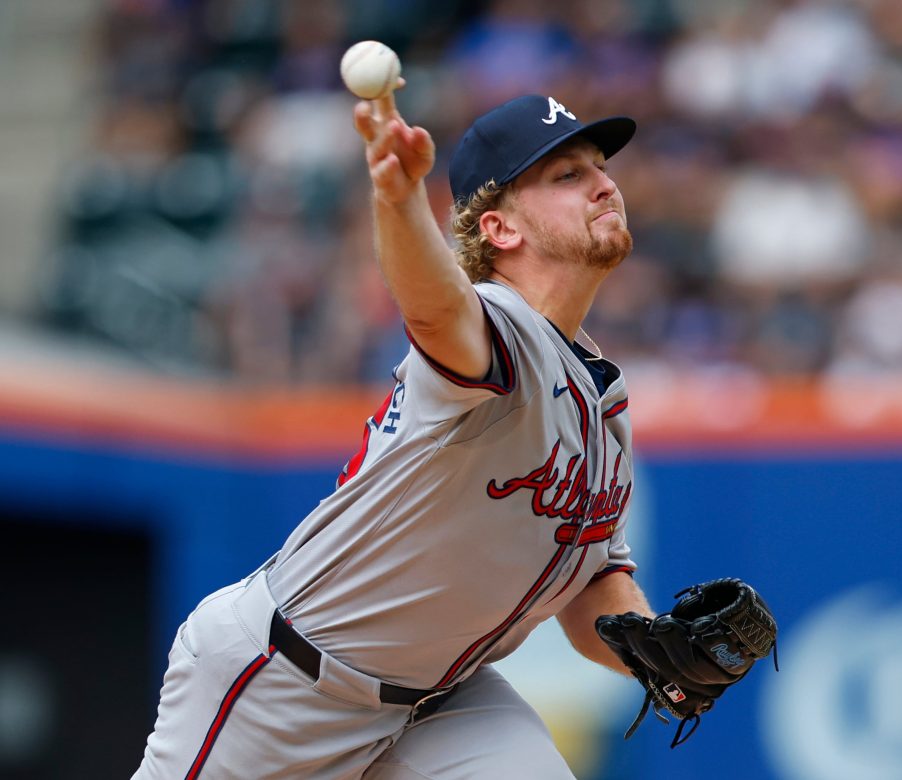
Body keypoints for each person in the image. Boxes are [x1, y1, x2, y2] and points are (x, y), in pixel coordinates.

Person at [134, 88, 652, 779]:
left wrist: (655, 644)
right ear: (499, 229)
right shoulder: (501, 326)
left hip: (442, 700)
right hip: (289, 684)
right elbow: (436, 309)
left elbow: (595, 588)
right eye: (568, 175)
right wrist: (399, 201)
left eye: (600, 166)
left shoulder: (601, 399)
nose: (604, 183)